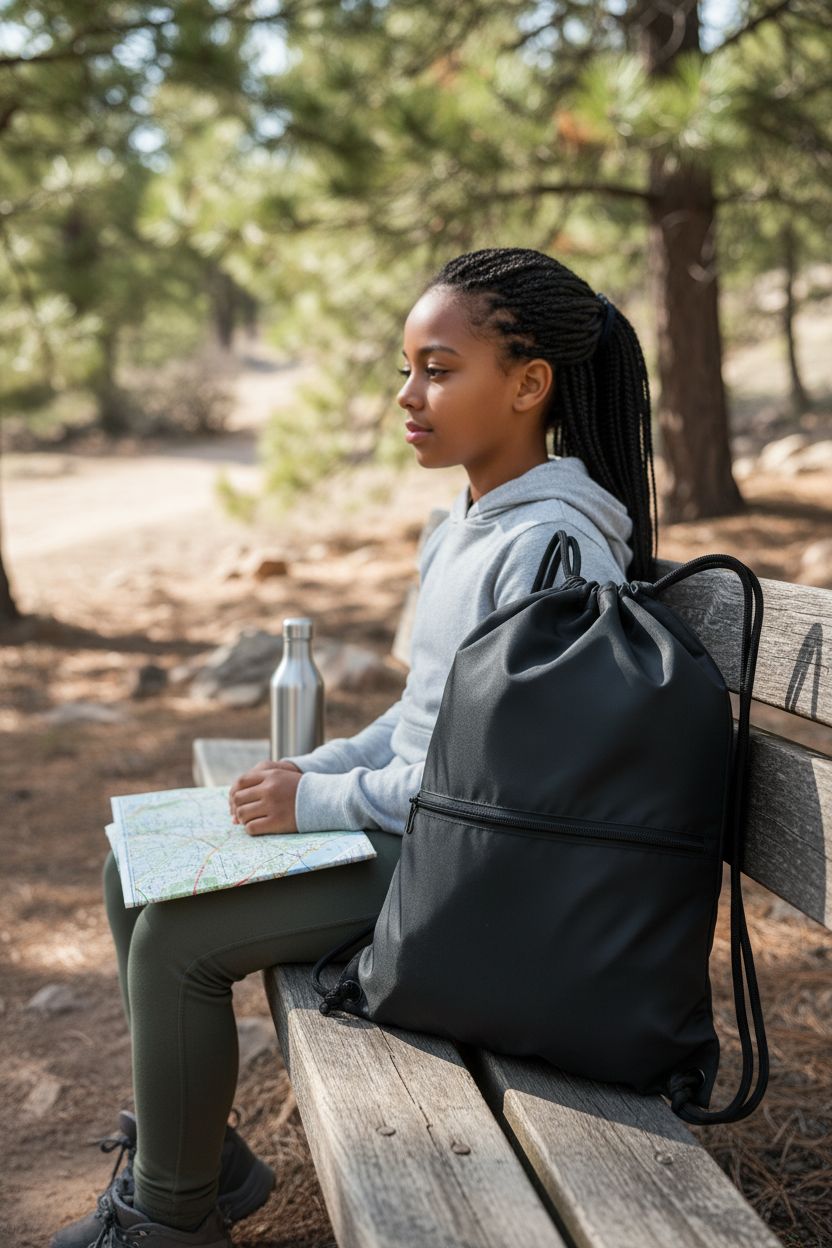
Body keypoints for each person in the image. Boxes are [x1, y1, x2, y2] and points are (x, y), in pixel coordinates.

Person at [51, 246, 659, 1247]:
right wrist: (315, 771)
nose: (406, 395)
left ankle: (168, 1220)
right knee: (132, 874)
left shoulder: (555, 548)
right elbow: (421, 719)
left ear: (527, 384)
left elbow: (503, 783)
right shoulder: (467, 526)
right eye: (405, 368)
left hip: (480, 872)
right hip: (425, 832)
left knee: (178, 941)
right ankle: (202, 1156)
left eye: (438, 368)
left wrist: (323, 807)